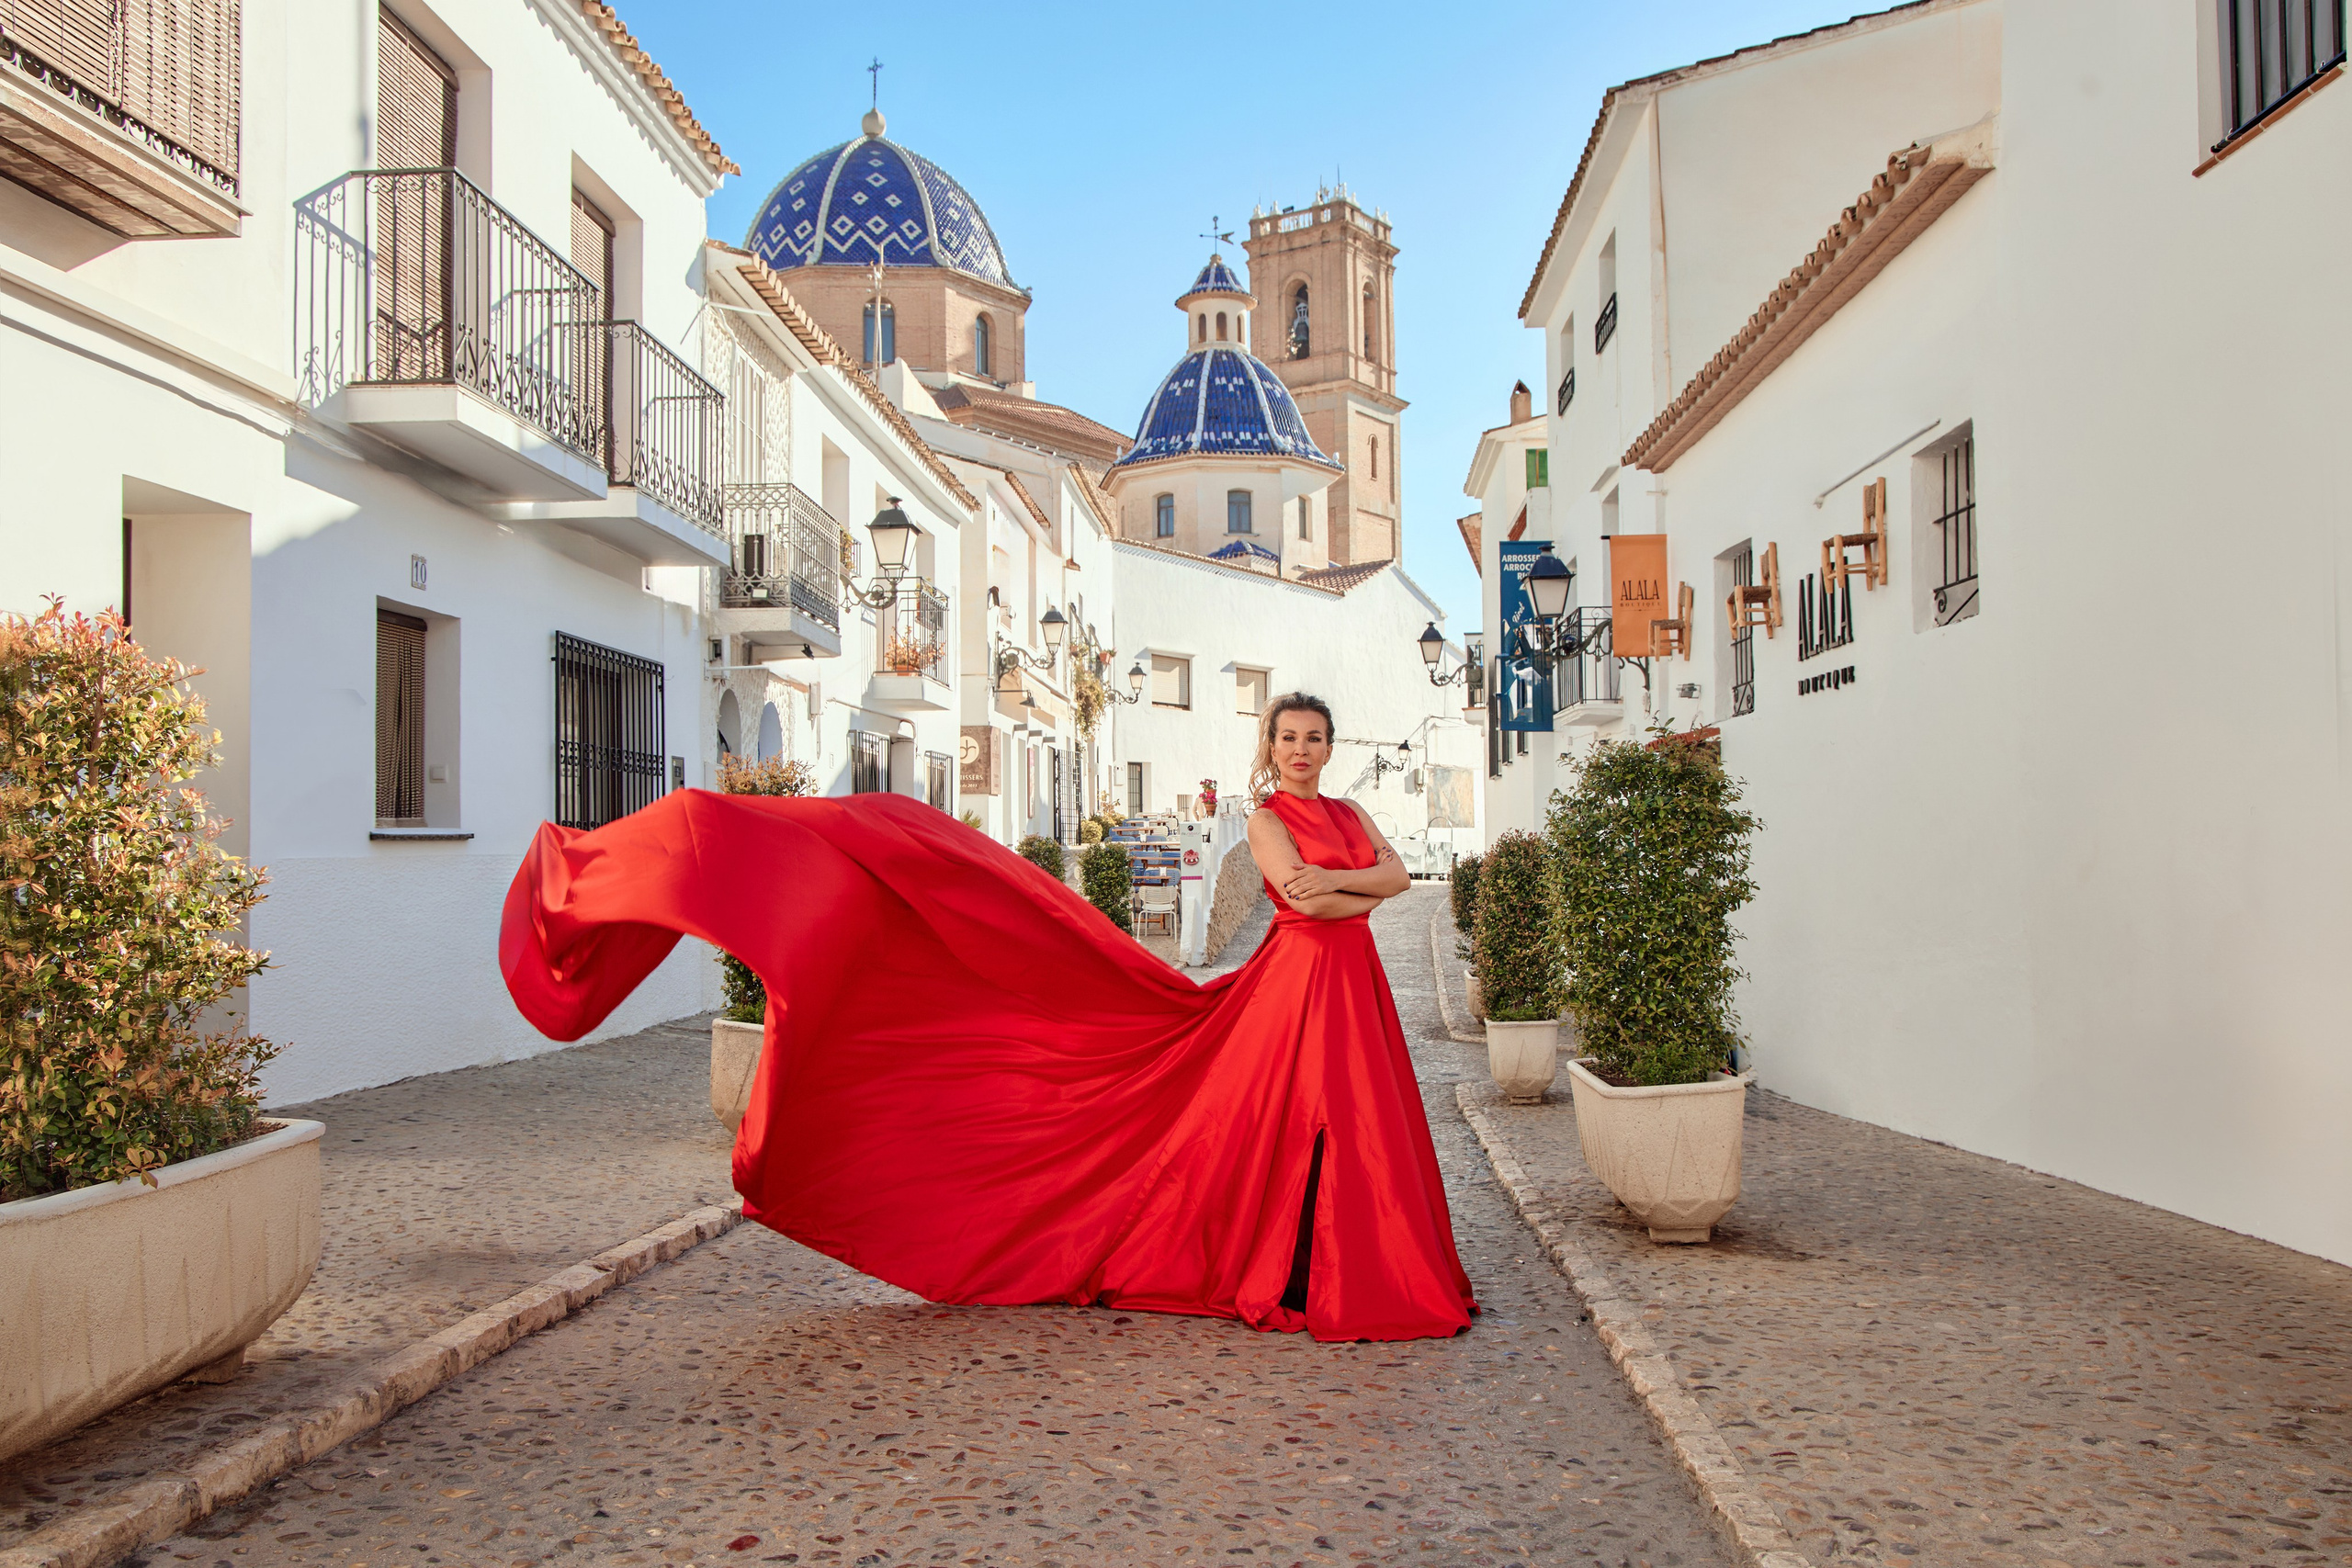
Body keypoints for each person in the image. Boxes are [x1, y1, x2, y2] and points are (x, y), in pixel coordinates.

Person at [499, 694, 1476, 1342]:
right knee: (1274, 1124)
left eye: (1313, 739)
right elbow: (1302, 901)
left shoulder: (1345, 817)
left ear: (1328, 749)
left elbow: (1390, 878)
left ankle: (1348, 1266)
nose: (1301, 751)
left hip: (1351, 989)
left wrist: (1352, 887)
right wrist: (1360, 892)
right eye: (1288, 738)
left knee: (1360, 1130)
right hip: (1295, 987)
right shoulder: (1268, 817)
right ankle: (1299, 1270)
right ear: (1267, 748)